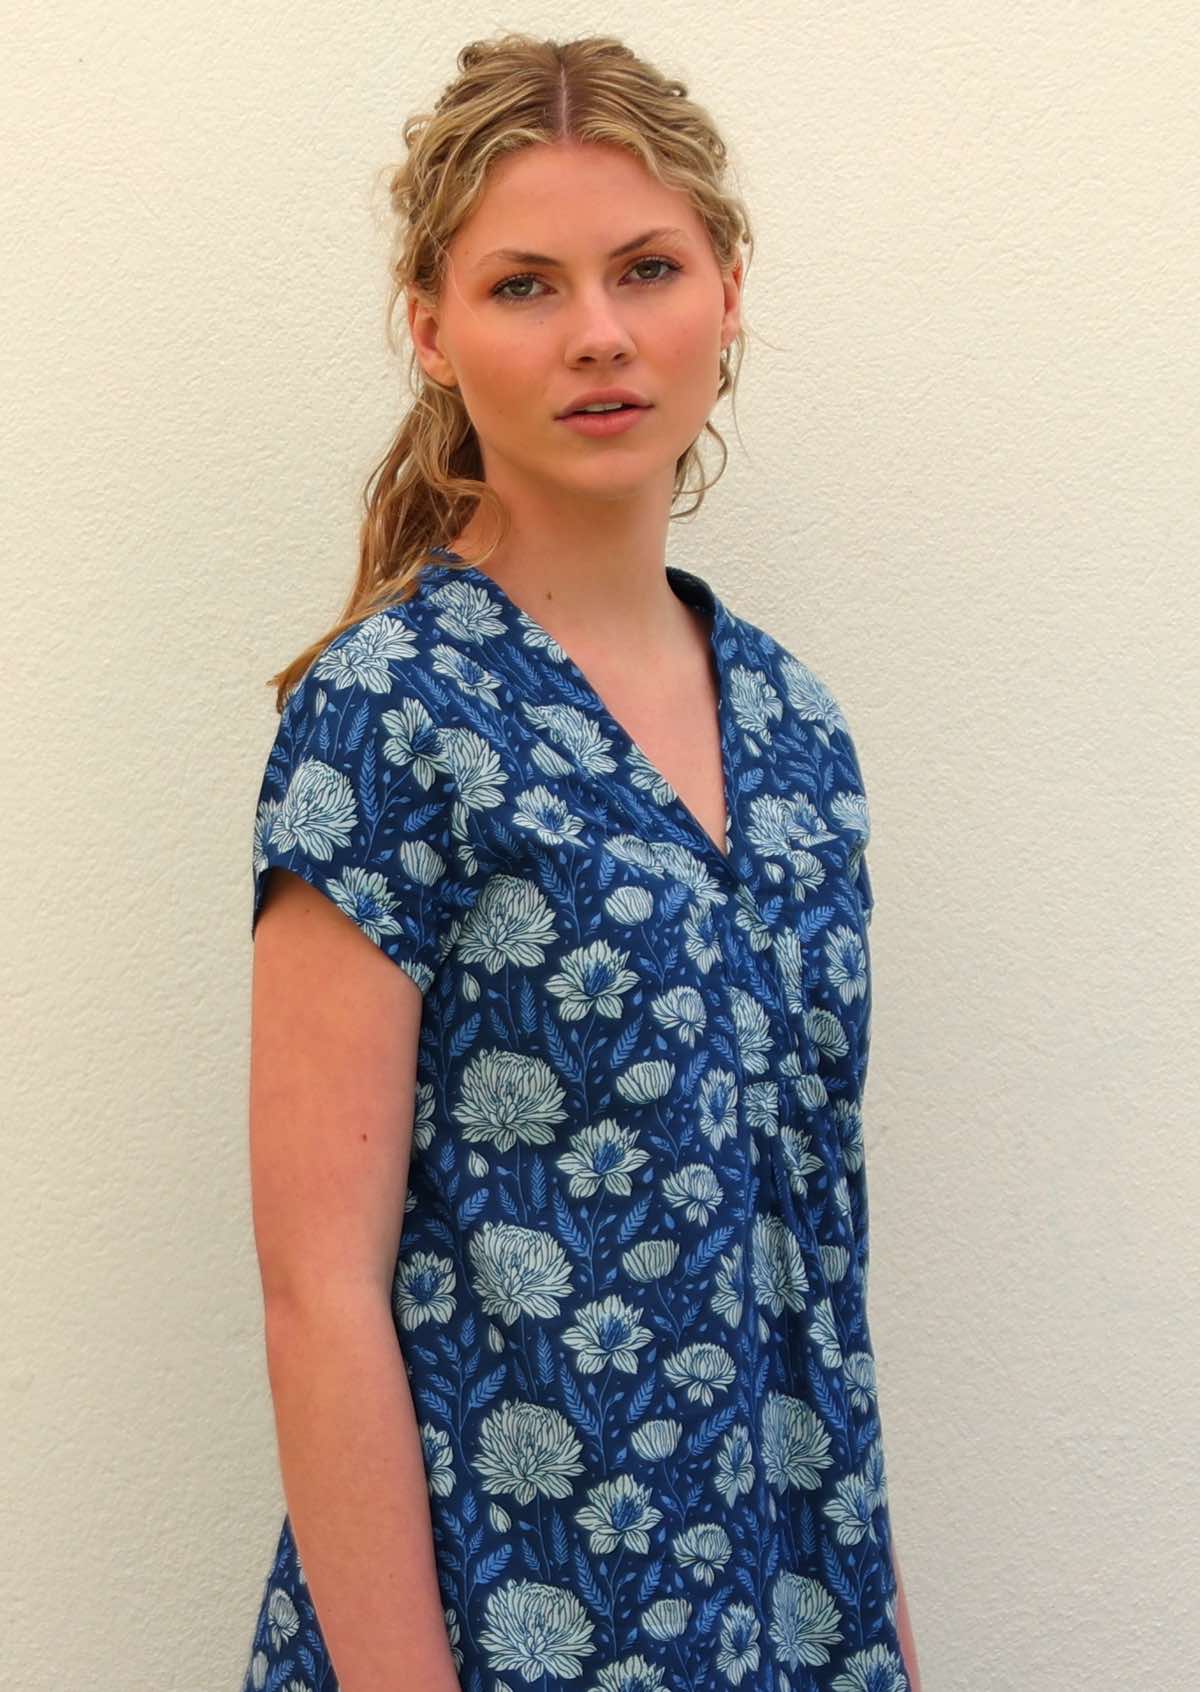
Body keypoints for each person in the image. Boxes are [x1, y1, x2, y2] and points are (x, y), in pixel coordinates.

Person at [242, 30, 921, 1692]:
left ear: (728, 290)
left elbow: (811, 1265)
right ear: (432, 327)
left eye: (647, 269)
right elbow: (318, 1291)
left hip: (791, 1625)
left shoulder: (798, 730)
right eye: (525, 286)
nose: (599, 333)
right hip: (497, 1634)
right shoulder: (394, 715)